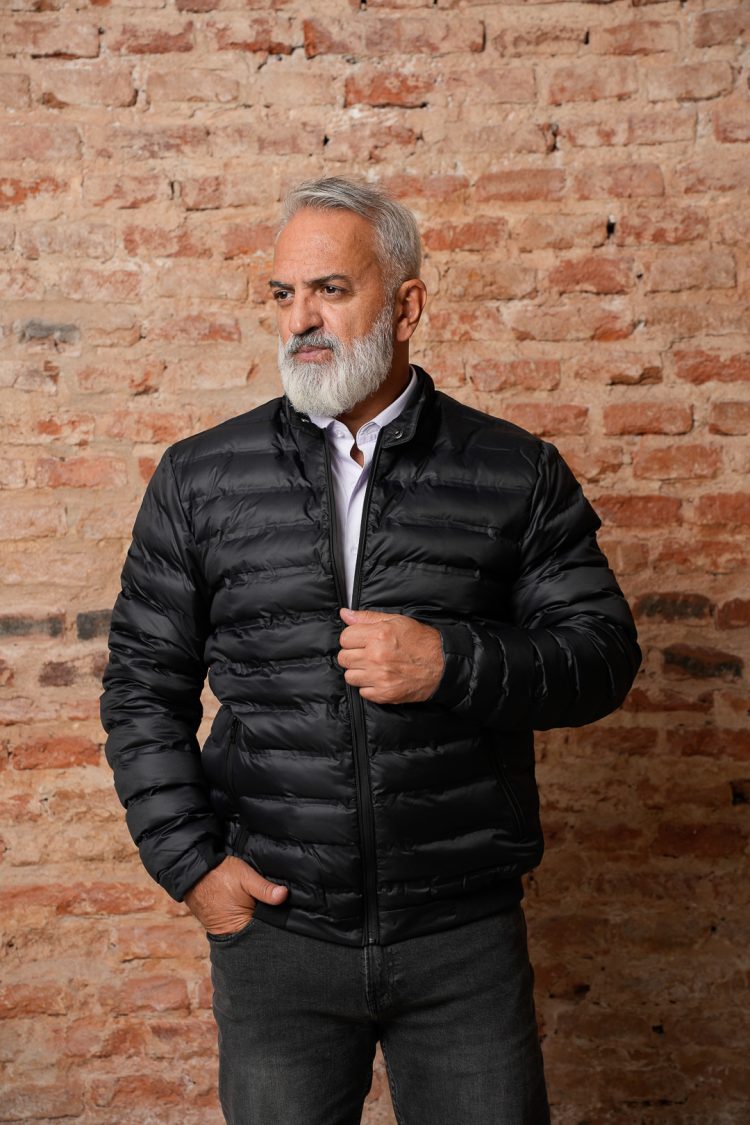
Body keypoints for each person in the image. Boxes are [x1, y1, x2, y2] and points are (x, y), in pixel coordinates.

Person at [100, 175, 642, 1124]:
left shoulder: (513, 470)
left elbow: (601, 655)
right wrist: (192, 866)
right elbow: (143, 687)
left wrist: (452, 662)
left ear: (406, 305)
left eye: (331, 290)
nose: (300, 320)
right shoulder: (199, 478)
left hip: (461, 936)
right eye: (283, 293)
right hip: (279, 934)